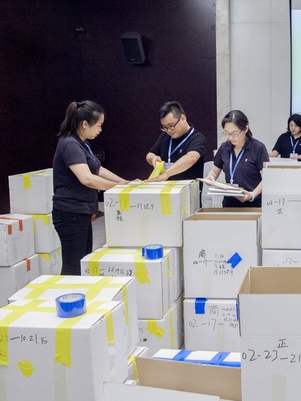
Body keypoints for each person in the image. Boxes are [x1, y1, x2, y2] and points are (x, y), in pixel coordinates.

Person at [52, 101, 130, 275]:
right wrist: (116, 187)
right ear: (85, 124)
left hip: (82, 211)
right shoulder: (70, 144)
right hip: (70, 212)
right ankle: (67, 292)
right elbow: (87, 179)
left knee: (83, 262)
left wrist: (124, 182)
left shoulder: (81, 144)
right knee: (73, 266)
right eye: (99, 125)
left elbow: (98, 169)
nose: (100, 130)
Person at [205, 110, 269, 207]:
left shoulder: (258, 148)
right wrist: (211, 176)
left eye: (235, 133)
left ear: (246, 129)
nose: (231, 137)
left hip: (253, 204)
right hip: (229, 204)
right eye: (227, 133)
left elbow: (267, 179)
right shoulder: (224, 147)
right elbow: (214, 171)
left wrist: (252, 195)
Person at [146, 101, 207, 182]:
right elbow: (150, 154)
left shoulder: (197, 138)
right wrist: (153, 158)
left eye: (171, 126)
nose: (169, 130)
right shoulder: (165, 135)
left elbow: (191, 158)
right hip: (165, 186)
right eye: (164, 127)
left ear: (183, 118)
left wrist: (167, 173)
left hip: (188, 187)